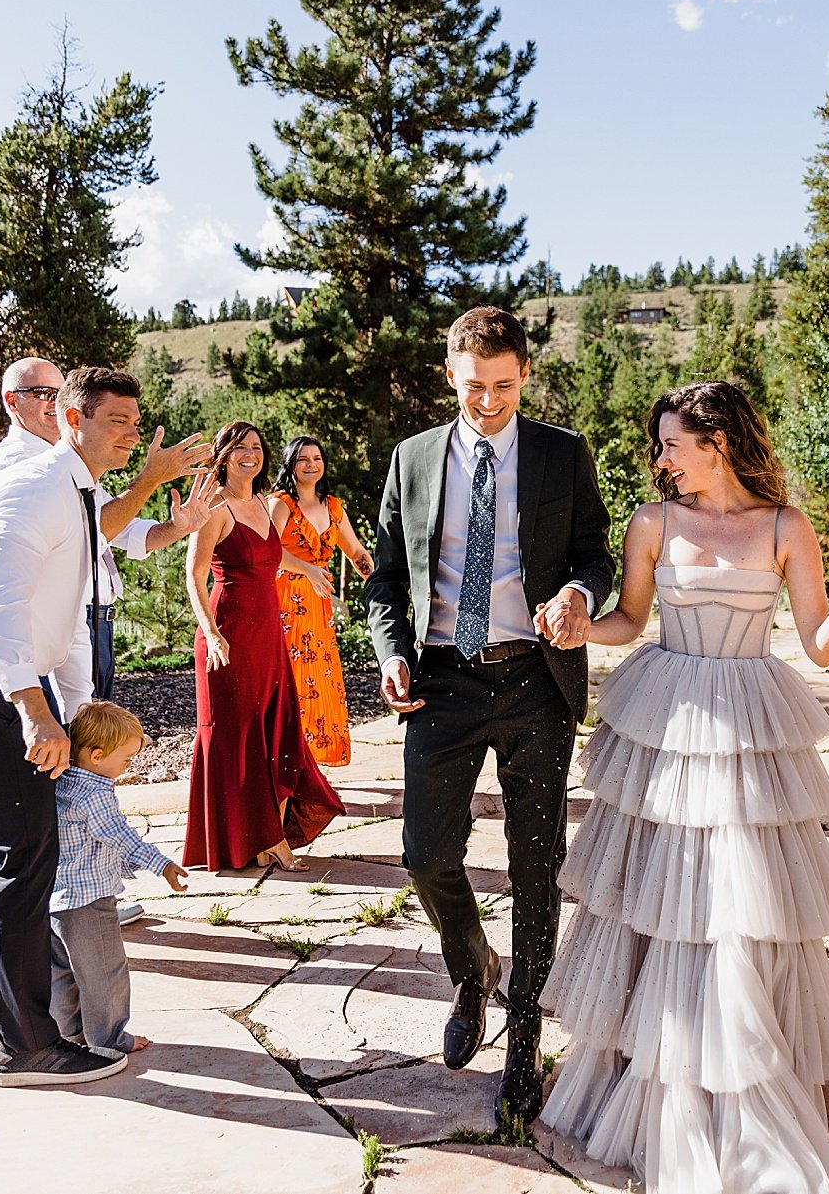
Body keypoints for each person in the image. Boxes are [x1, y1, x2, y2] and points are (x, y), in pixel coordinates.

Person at [538, 380, 829, 1194]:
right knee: (660, 906)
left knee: (739, 913)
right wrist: (580, 628)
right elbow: (630, 619)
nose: (661, 458)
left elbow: (815, 644)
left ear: (721, 442)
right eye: (661, 444)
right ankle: (659, 1072)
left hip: (748, 724)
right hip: (666, 722)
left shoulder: (784, 525)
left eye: (674, 443)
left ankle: (745, 1094)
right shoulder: (651, 521)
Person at [366, 306, 614, 1129]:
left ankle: (524, 1042)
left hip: (534, 681)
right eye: (475, 386)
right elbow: (385, 580)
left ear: (525, 376)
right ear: (450, 374)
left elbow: (594, 552)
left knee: (535, 864)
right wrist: (392, 648)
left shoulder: (560, 453)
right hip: (441, 681)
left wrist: (578, 594)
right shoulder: (411, 460)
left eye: (504, 386)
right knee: (424, 853)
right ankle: (473, 967)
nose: (489, 401)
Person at [0, 366, 156, 1087]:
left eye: (135, 422)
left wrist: (74, 715)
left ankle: (30, 1031)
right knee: (23, 860)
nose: (131, 434)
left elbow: (66, 623)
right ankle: (25, 1047)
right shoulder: (32, 485)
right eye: (117, 421)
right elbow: (1, 603)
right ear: (72, 421)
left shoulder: (78, 494)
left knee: (30, 856)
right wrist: (33, 710)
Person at [0, 356, 218, 704]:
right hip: (54, 626)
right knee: (67, 737)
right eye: (41, 392)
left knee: (89, 734)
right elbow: (93, 529)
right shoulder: (21, 465)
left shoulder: (72, 465)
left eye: (58, 390)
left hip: (94, 621)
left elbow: (122, 528)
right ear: (11, 401)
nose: (54, 400)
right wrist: (150, 477)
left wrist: (178, 527)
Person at [183, 421, 344, 873]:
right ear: (223, 456)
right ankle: (239, 842)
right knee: (233, 734)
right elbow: (194, 575)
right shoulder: (215, 506)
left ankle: (268, 837)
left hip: (269, 635)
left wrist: (308, 569)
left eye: (255, 447)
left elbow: (269, 557)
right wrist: (212, 632)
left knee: (273, 731)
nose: (249, 455)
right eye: (239, 449)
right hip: (228, 634)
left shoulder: (261, 502)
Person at [50, 699, 188, 1058]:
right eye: (125, 759)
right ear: (96, 756)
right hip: (88, 900)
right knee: (105, 975)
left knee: (64, 973)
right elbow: (120, 837)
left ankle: (68, 1034)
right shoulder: (95, 794)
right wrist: (162, 865)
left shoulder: (62, 780)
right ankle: (109, 1040)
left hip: (56, 899)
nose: (128, 766)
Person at [270, 435, 375, 767]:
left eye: (317, 458)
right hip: (283, 601)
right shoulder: (280, 503)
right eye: (303, 459)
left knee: (318, 679)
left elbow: (356, 552)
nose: (311, 464)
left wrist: (380, 580)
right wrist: (306, 569)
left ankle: (311, 761)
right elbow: (267, 552)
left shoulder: (333, 506)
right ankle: (284, 759)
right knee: (288, 677)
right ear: (291, 464)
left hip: (318, 605)